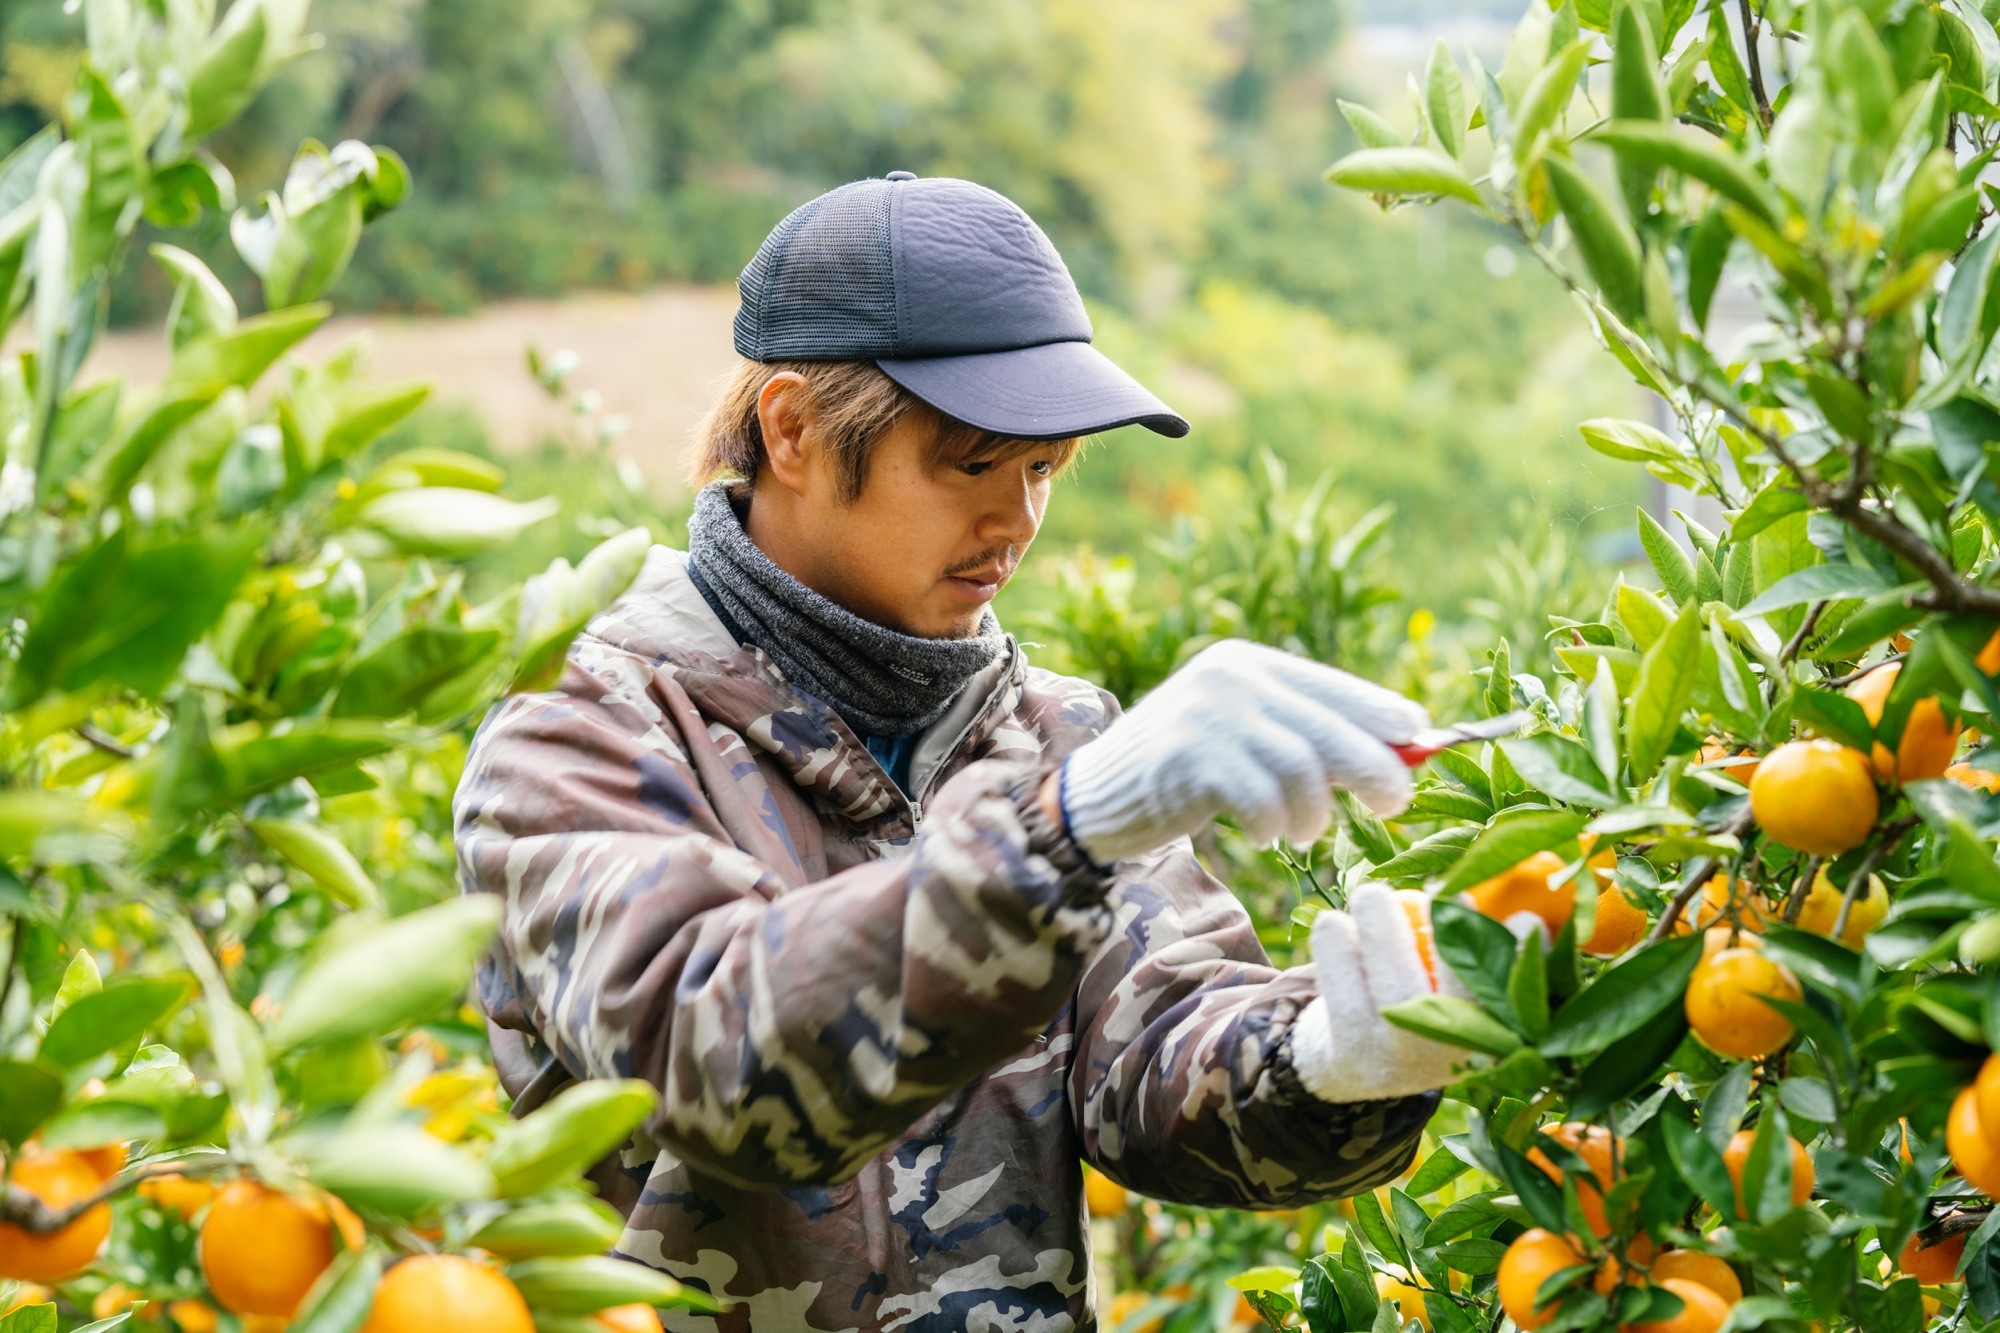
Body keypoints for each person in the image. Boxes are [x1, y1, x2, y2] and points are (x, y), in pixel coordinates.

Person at [454, 172, 1468, 1333]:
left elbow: (1149, 1063)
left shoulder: (1056, 732)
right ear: (790, 429)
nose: (1017, 521)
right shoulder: (585, 727)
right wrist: (1066, 829)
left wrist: (1327, 1061)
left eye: (1042, 468)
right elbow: (711, 1057)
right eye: (973, 464)